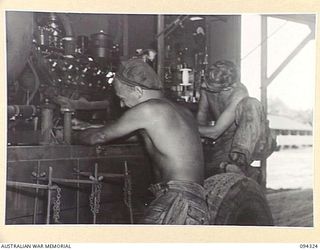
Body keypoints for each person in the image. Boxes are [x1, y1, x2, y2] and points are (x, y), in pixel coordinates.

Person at [74, 58, 209, 225]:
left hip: (177, 199)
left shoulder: (148, 109)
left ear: (138, 90)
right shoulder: (180, 111)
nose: (122, 105)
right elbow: (133, 134)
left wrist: (74, 134)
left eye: (122, 98)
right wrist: (89, 125)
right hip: (194, 201)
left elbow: (98, 137)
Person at [197, 60, 272, 178]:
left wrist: (187, 128)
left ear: (229, 88)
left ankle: (240, 159)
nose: (203, 86)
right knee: (213, 172)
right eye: (205, 82)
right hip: (226, 139)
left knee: (251, 103)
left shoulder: (239, 93)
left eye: (209, 87)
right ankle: (248, 172)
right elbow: (201, 114)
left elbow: (215, 132)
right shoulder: (207, 85)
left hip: (255, 139)